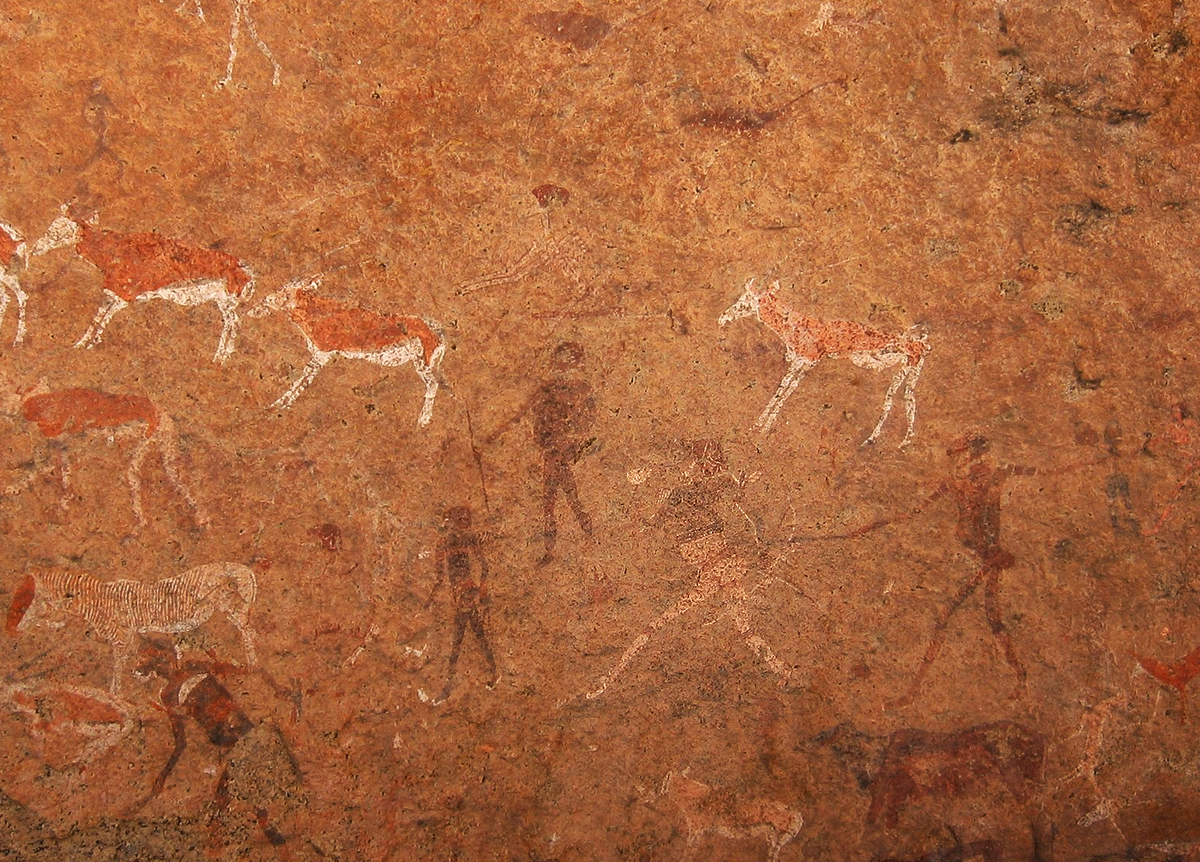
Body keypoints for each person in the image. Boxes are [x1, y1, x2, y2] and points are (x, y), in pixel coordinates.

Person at [488, 341, 595, 563]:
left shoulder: (581, 390)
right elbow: (521, 414)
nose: (562, 366)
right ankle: (582, 538)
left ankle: (564, 545)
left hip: (561, 451)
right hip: (552, 450)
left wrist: (572, 439)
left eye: (567, 361)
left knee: (557, 500)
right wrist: (495, 435)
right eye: (560, 361)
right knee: (562, 498)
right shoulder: (547, 388)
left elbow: (587, 423)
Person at [425, 505, 499, 704]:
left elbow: (484, 567)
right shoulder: (444, 543)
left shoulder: (466, 539)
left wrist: (480, 590)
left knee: (458, 641)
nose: (467, 522)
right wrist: (429, 601)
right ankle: (493, 671)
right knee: (478, 634)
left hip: (466, 595)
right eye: (463, 519)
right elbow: (440, 578)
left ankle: (449, 685)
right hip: (459, 596)